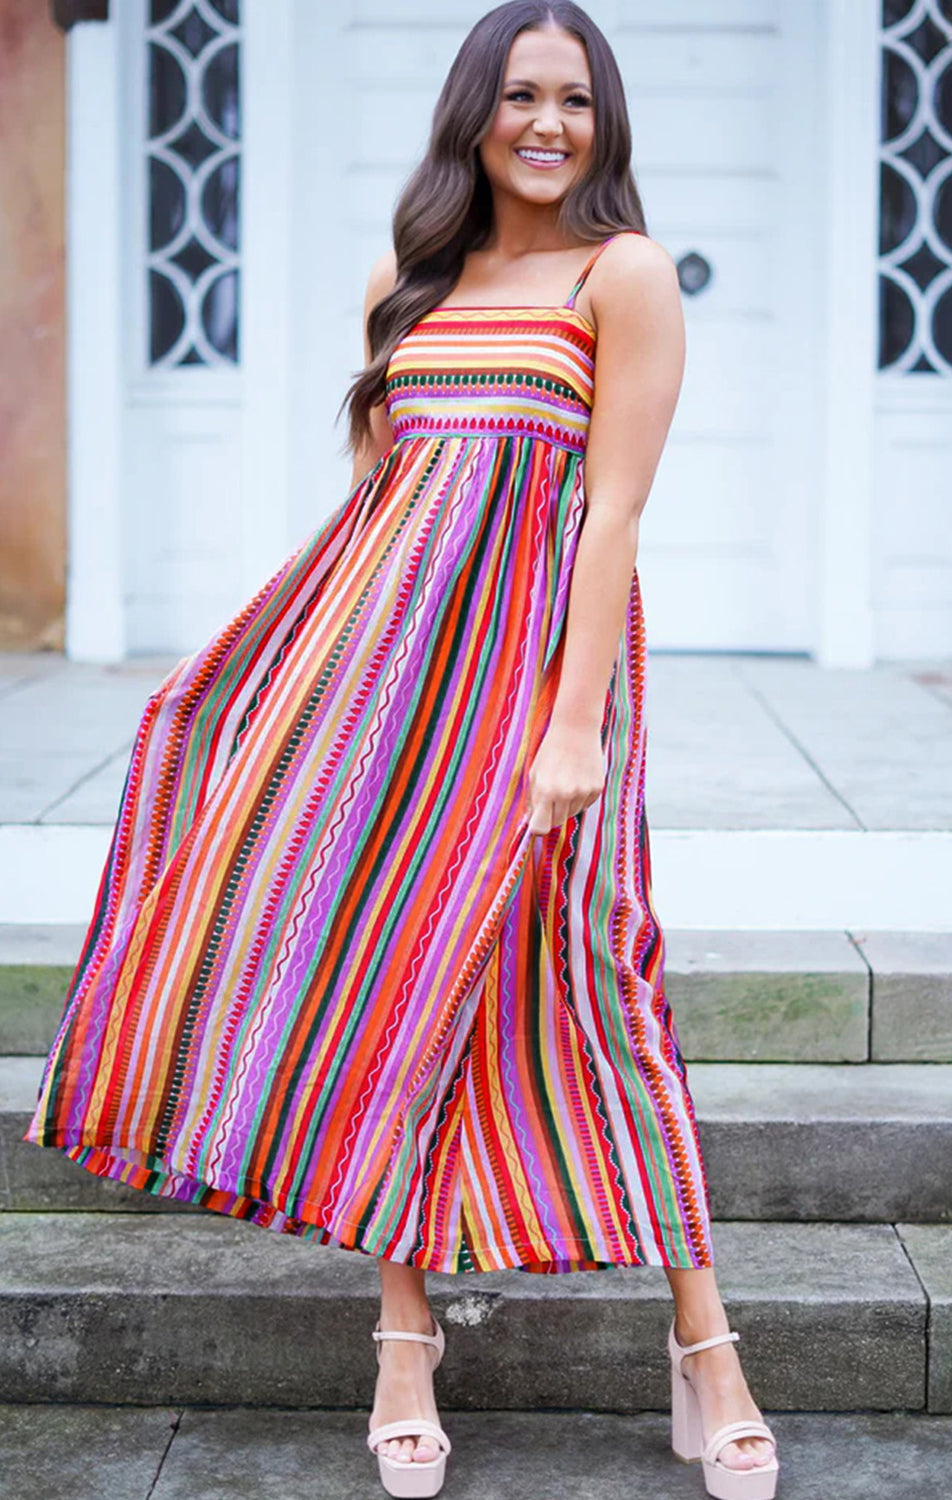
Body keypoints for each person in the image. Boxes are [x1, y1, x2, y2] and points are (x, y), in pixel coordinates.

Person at [24, 3, 778, 1497]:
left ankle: (705, 1347)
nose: (547, 124)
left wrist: (571, 724)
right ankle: (402, 1335)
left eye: (574, 99)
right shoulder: (406, 281)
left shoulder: (620, 276)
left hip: (532, 693)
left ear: (605, 120)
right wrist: (265, 672)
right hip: (379, 684)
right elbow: (383, 505)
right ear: (471, 116)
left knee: (596, 975)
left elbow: (609, 516)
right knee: (381, 966)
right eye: (519, 97)